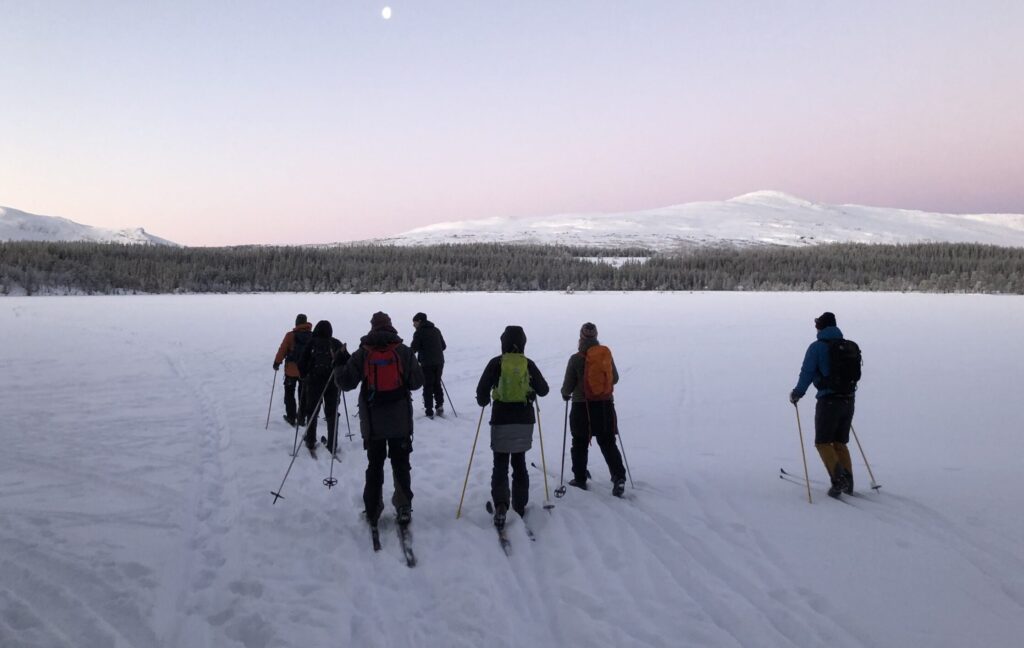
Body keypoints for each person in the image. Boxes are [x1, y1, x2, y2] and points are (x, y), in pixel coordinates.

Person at [338, 312, 423, 525]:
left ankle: (373, 509)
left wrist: (339, 363)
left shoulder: (363, 353)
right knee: (401, 464)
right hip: (400, 421)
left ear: (372, 328)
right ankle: (404, 507)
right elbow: (416, 382)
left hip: (373, 423)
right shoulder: (402, 351)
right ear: (390, 326)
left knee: (374, 465)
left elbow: (345, 383)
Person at [475, 325, 549, 529]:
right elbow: (544, 390)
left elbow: (481, 392)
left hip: (501, 419)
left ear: (503, 343)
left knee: (500, 463)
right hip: (524, 421)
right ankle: (520, 505)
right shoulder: (528, 364)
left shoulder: (496, 363)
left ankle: (500, 505)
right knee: (519, 462)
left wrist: (484, 400)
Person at [789, 311, 857, 498]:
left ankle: (838, 480)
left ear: (822, 327)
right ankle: (848, 481)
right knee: (840, 442)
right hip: (848, 399)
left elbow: (807, 373)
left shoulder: (817, 348)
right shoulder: (847, 345)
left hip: (829, 401)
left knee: (822, 442)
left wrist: (797, 393)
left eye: (817, 324)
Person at [560, 322, 627, 497]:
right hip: (605, 406)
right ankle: (619, 476)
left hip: (582, 407)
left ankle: (580, 478)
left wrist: (565, 394)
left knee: (580, 443)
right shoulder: (605, 355)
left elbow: (567, 386)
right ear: (596, 336)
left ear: (581, 337)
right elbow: (616, 378)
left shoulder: (576, 359)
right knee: (608, 443)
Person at [297, 320, 349, 455]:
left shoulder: (312, 342)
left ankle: (310, 440)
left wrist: (303, 376)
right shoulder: (335, 343)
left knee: (312, 411)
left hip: (314, 382)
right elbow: (347, 362)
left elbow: (302, 362)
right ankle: (332, 444)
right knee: (332, 413)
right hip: (333, 382)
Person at [273, 313, 313, 426]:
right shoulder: (312, 336)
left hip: (291, 370)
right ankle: (301, 418)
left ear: (296, 323)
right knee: (303, 394)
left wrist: (277, 362)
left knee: (289, 394)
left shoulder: (290, 335)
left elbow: (283, 349)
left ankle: (291, 417)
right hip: (305, 371)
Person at [410, 312, 447, 418]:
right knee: (437, 383)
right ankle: (439, 406)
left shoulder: (419, 333)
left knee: (427, 386)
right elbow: (443, 346)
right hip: (439, 362)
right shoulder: (436, 330)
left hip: (427, 363)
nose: (413, 325)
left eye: (415, 322)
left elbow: (413, 349)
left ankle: (429, 411)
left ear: (420, 321)